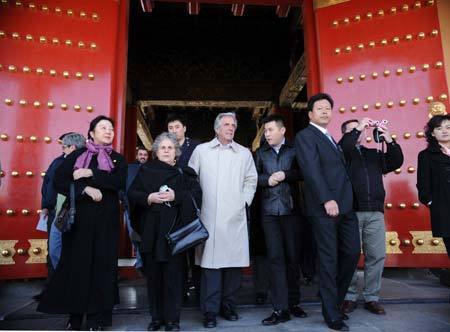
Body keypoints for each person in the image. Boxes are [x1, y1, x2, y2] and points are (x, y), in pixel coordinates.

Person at [37, 115, 127, 330]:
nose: (108, 131)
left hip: (106, 224)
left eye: (111, 128)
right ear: (92, 133)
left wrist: (91, 174)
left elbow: (118, 181)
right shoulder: (77, 155)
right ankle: (75, 317)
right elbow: (60, 181)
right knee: (78, 268)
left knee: (102, 269)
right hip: (78, 224)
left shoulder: (117, 159)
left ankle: (97, 317)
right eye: (103, 127)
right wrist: (85, 189)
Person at [294, 93, 360, 331]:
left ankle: (332, 300)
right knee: (329, 258)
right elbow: (311, 169)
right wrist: (327, 198)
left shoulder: (330, 137)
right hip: (326, 207)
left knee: (352, 252)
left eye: (328, 108)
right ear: (310, 114)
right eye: (319, 108)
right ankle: (331, 312)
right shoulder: (305, 136)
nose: (325, 111)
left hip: (346, 206)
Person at [188, 112, 257, 328]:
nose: (230, 128)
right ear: (216, 129)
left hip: (234, 216)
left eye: (233, 125)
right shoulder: (201, 151)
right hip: (208, 216)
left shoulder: (244, 153)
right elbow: (191, 180)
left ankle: (229, 306)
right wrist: (195, 207)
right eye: (226, 124)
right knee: (210, 268)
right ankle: (210, 311)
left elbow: (251, 179)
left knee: (233, 266)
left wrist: (244, 202)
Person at [128, 132, 202, 331]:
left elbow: (196, 195)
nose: (167, 151)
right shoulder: (145, 171)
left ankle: (172, 320)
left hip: (176, 233)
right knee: (154, 278)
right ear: (156, 151)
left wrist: (176, 195)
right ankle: (156, 318)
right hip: (151, 231)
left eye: (170, 147)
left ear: (176, 152)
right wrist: (149, 198)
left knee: (174, 278)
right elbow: (132, 194)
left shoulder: (183, 173)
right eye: (163, 147)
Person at [339, 118, 404, 315]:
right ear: (346, 134)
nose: (359, 132)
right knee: (349, 256)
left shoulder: (373, 153)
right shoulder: (343, 152)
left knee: (376, 255)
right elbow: (346, 145)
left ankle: (371, 297)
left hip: (375, 211)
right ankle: (348, 296)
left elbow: (395, 161)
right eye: (353, 130)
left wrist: (389, 141)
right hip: (351, 212)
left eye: (360, 129)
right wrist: (358, 128)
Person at [255, 114, 307, 326]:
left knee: (293, 259)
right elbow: (252, 178)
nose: (267, 134)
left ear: (282, 130)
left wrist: (286, 174)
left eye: (270, 130)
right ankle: (280, 308)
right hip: (269, 212)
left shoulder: (295, 150)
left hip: (292, 211)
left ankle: (294, 302)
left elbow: (304, 172)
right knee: (275, 259)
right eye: (265, 131)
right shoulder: (260, 153)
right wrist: (267, 179)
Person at [33, 132, 86, 301]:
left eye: (64, 145)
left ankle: (67, 288)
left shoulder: (81, 163)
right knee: (53, 250)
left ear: (73, 147)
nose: (62, 148)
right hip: (54, 211)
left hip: (69, 212)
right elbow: (47, 184)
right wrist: (45, 206)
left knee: (66, 250)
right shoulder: (58, 161)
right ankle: (53, 288)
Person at [166, 113, 201, 302]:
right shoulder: (165, 147)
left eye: (177, 127)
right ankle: (180, 292)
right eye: (170, 128)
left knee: (194, 248)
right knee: (176, 250)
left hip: (190, 201)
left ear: (184, 128)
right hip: (170, 205)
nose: (173, 131)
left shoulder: (196, 147)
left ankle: (199, 290)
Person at [417, 114, 450, 258]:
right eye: (439, 128)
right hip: (444, 209)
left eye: (448, 127)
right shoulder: (426, 155)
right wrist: (431, 202)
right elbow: (423, 183)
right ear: (432, 133)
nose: (445, 131)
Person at [124, 146, 150, 272]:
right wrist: (123, 199)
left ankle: (142, 262)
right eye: (140, 154)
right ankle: (141, 259)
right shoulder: (129, 168)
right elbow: (121, 186)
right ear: (136, 155)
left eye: (145, 154)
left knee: (145, 235)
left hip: (147, 208)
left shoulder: (151, 169)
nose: (143, 156)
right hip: (130, 207)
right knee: (133, 235)